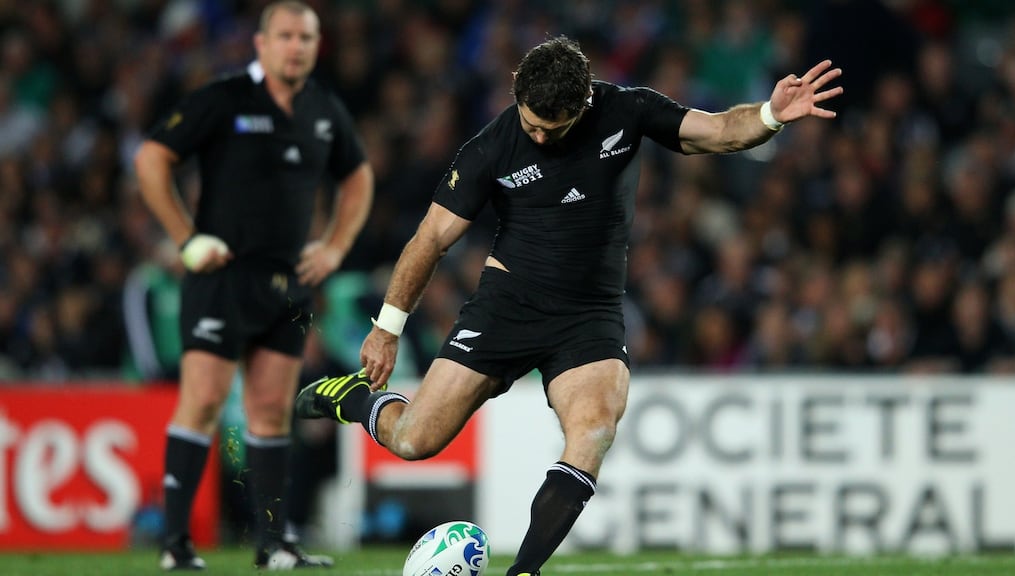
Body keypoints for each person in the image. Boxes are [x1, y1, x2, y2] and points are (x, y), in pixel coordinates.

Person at [295, 36, 841, 575]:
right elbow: (431, 238)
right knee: (414, 440)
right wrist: (388, 328)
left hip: (588, 315)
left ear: (581, 107)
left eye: (547, 128)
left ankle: (524, 572)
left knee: (594, 430)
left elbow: (720, 131)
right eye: (528, 119)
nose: (534, 132)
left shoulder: (627, 109)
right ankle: (358, 401)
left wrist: (771, 113)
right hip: (506, 308)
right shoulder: (493, 146)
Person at [134, 1, 373, 570]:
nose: (297, 46)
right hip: (222, 277)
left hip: (288, 282)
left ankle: (273, 544)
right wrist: (186, 238)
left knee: (269, 411)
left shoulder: (323, 109)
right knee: (205, 401)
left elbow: (358, 175)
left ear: (317, 46)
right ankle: (175, 544)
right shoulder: (223, 99)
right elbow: (151, 158)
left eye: (307, 37)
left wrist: (336, 246)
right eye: (286, 35)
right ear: (261, 44)